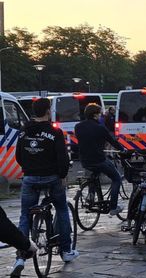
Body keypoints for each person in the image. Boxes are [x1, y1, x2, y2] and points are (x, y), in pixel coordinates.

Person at [13, 98, 78, 276]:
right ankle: (66, 251)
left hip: (30, 178)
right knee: (62, 209)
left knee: (25, 214)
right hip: (52, 177)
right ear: (48, 111)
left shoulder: (24, 130)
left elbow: (18, 155)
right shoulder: (54, 131)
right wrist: (63, 175)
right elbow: (62, 157)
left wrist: (28, 168)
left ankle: (20, 255)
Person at [75, 103, 125, 216]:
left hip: (84, 160)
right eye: (99, 113)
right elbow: (112, 141)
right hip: (99, 159)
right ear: (95, 115)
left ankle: (91, 196)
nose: (101, 115)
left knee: (94, 174)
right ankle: (113, 207)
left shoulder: (78, 127)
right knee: (116, 178)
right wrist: (123, 149)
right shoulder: (100, 128)